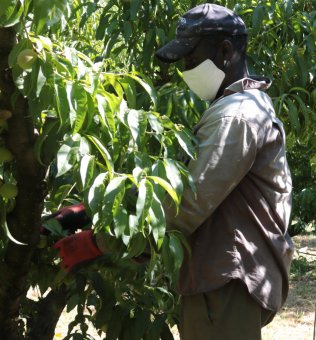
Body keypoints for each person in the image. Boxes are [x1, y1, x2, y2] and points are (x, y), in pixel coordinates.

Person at [51, 4, 294, 339]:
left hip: (226, 279)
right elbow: (178, 184)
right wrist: (93, 210)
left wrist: (100, 242)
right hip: (219, 278)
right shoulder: (235, 106)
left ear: (225, 51)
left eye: (191, 59)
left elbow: (188, 203)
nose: (186, 69)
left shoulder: (237, 115)